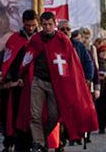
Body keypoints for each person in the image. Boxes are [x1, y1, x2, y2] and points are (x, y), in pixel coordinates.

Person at [17, 12, 98, 152]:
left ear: (54, 24)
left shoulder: (63, 40)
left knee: (54, 115)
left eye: (50, 24)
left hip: (56, 83)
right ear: (41, 25)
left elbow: (72, 63)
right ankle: (38, 143)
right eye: (44, 25)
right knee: (35, 114)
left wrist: (75, 82)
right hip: (38, 80)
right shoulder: (36, 39)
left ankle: (40, 137)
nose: (47, 27)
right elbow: (28, 58)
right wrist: (21, 74)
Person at [0, 9, 38, 152]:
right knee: (16, 115)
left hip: (35, 85)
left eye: (33, 25)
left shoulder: (40, 39)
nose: (31, 28)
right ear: (23, 23)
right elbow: (8, 61)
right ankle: (17, 143)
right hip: (18, 86)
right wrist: (13, 81)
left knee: (34, 114)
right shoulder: (15, 39)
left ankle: (35, 142)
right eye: (28, 25)